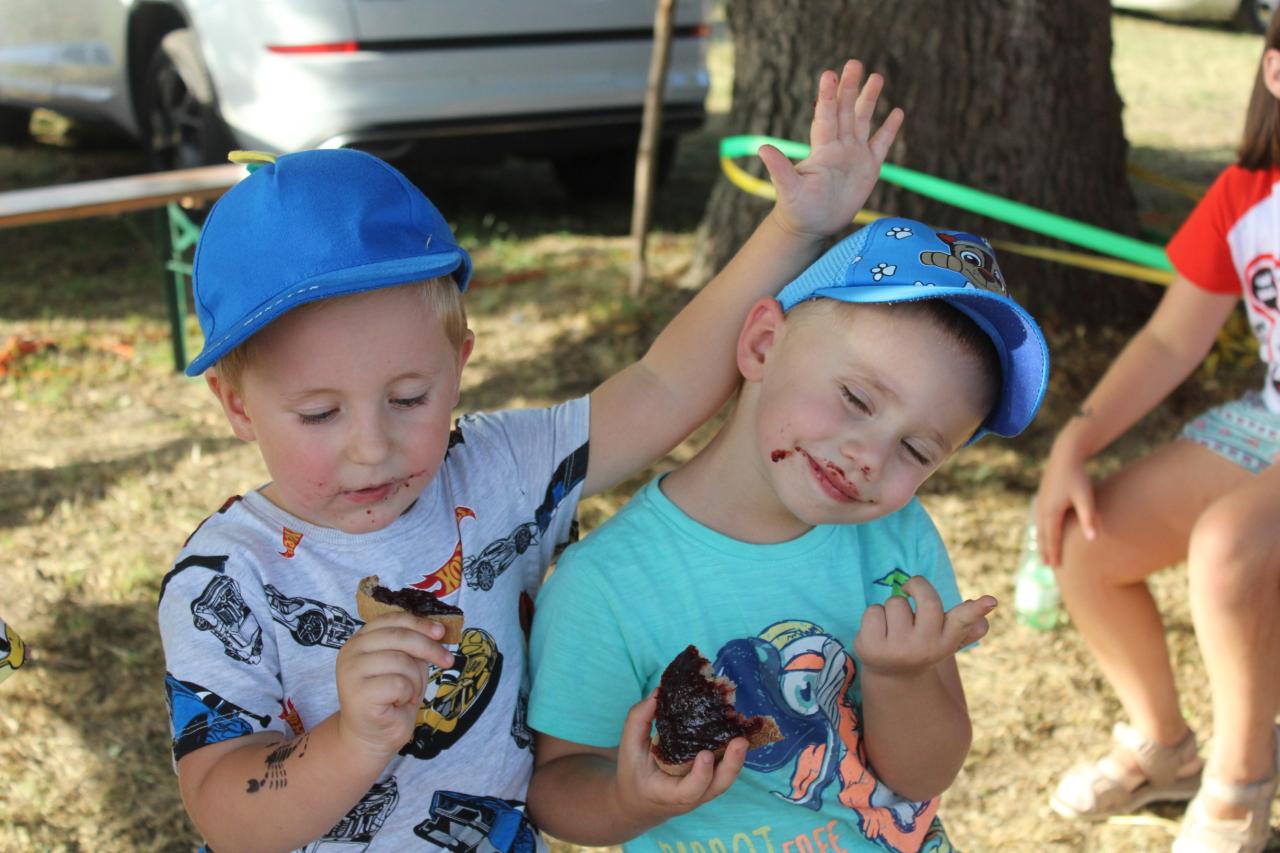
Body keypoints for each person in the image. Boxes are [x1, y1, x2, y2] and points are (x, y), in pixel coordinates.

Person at [156, 60, 904, 852]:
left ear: (459, 364)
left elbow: (661, 387)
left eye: (409, 398)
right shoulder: (226, 578)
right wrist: (350, 740)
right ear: (237, 406)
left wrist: (796, 227)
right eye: (318, 412)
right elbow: (223, 808)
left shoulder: (497, 472)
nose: (371, 446)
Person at [525, 216, 1050, 853]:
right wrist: (625, 801)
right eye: (857, 399)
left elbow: (924, 775)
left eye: (916, 450)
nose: (870, 456)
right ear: (764, 345)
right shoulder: (605, 584)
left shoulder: (899, 541)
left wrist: (902, 680)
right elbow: (556, 785)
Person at [1035, 18, 1280, 853]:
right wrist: (1072, 444)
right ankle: (1164, 747)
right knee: (1086, 540)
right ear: (1275, 72)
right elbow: (1172, 341)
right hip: (1270, 418)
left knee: (1229, 545)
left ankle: (1242, 781)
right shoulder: (1246, 195)